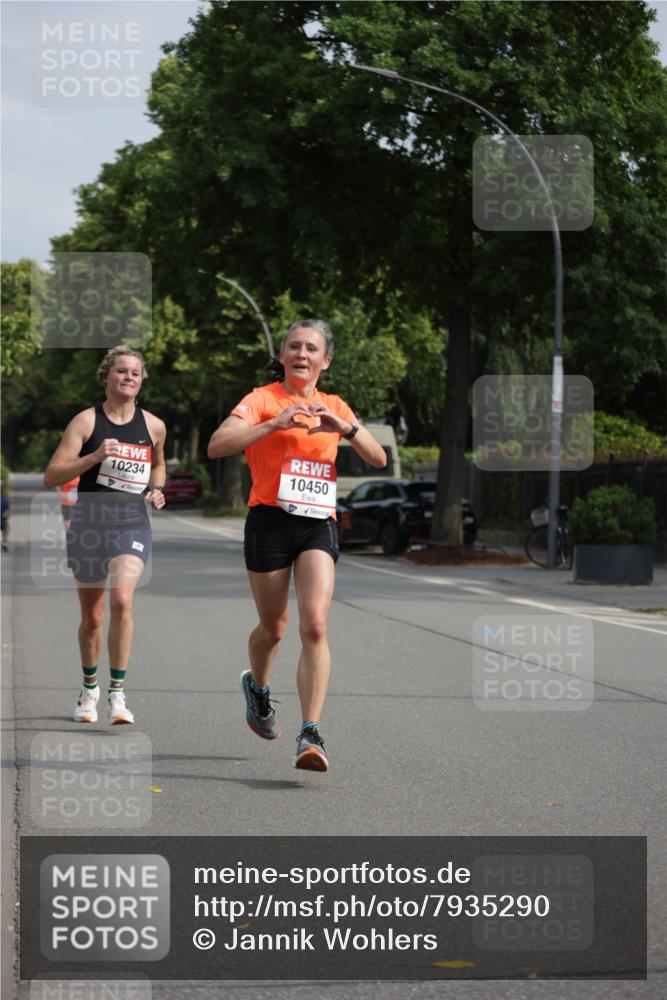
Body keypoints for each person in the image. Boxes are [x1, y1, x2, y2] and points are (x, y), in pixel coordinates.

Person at [208, 319, 386, 771]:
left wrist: (344, 427)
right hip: (268, 519)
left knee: (315, 625)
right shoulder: (262, 399)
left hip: (317, 522)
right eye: (294, 346)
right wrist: (271, 425)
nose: (301, 354)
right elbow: (217, 445)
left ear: (325, 361)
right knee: (274, 629)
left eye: (311, 348)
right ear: (283, 356)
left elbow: (378, 457)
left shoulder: (335, 405)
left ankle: (310, 734)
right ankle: (259, 689)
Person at [43, 346, 166, 725]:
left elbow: (158, 465)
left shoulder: (154, 425)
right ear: (106, 376)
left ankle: (117, 694)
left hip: (131, 521)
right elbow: (52, 476)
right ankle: (89, 688)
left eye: (135, 372)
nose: (128, 377)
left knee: (123, 601)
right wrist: (93, 458)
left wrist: (156, 489)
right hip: (89, 524)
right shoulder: (85, 422)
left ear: (142, 380)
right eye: (121, 371)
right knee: (93, 618)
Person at [1, 482, 9, 553]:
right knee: (6, 527)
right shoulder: (4, 499)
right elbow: (6, 513)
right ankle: (4, 541)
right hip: (1, 521)